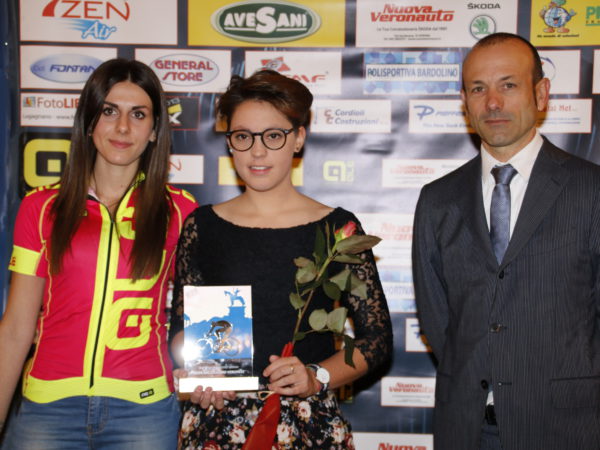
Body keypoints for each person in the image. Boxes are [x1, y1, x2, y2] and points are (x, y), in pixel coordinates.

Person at [170, 69, 393, 449]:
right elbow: (181, 330)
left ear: (298, 138)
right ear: (230, 142)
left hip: (306, 424)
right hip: (218, 423)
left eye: (273, 136)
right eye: (243, 136)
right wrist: (197, 371)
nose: (257, 151)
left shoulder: (337, 228)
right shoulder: (202, 226)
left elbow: (377, 340)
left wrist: (316, 376)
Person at [412, 32, 600, 450]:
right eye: (479, 88)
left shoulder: (591, 190)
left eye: (508, 85)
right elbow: (439, 322)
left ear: (541, 93)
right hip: (467, 430)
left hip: (569, 429)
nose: (493, 102)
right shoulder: (437, 200)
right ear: (465, 100)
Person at [0, 58, 197, 449]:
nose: (122, 127)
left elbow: (201, 312)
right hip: (46, 407)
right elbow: (17, 326)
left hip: (144, 410)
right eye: (109, 111)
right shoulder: (42, 207)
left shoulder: (180, 210)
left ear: (155, 130)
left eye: (138, 114)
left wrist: (208, 373)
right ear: (89, 122)